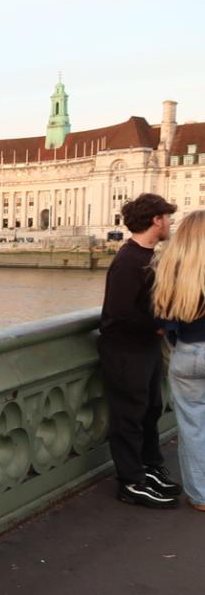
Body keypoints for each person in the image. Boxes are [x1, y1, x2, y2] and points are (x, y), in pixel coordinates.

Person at [100, 193, 182, 508]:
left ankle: (149, 468)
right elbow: (119, 314)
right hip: (124, 351)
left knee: (150, 410)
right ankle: (130, 482)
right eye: (167, 217)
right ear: (155, 220)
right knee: (129, 416)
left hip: (143, 348)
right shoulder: (128, 261)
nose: (170, 222)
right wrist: (157, 326)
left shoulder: (147, 257)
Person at [152, 209, 205, 511]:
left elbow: (162, 321)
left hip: (186, 354)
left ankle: (200, 496)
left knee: (193, 427)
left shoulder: (171, 268)